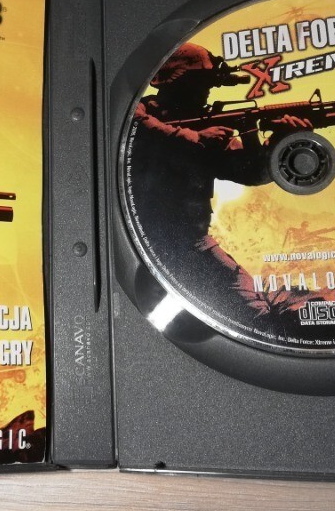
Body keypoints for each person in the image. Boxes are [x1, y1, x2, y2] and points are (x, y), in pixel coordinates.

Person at [127, 43, 309, 321]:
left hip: (191, 242)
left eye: (208, 83)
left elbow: (250, 172)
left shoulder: (206, 126)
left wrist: (279, 144)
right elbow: (140, 129)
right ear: (175, 81)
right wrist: (196, 139)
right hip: (140, 239)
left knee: (251, 309)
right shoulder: (141, 113)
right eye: (198, 83)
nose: (206, 91)